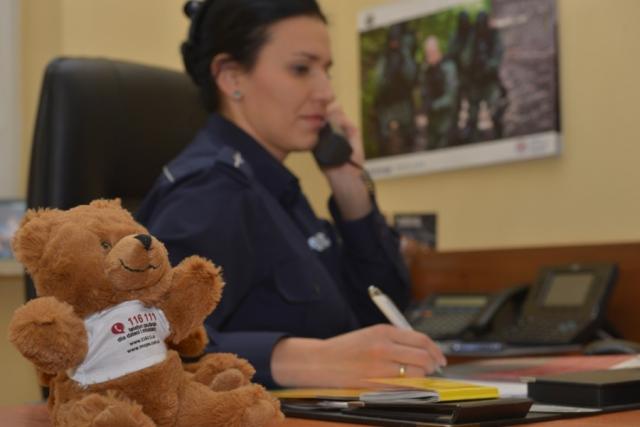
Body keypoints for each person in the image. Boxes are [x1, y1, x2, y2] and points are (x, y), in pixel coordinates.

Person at [136, 0, 446, 389]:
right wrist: (305, 360)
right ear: (231, 78)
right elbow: (145, 345)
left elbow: (384, 310)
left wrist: (350, 187)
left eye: (326, 71)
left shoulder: (276, 189)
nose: (326, 92)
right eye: (301, 69)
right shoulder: (210, 192)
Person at [418, 36, 459, 150]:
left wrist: (434, 105)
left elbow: (451, 96)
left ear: (438, 51)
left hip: (447, 118)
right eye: (427, 53)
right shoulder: (426, 69)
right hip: (432, 119)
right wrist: (425, 104)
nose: (429, 56)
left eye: (431, 52)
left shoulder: (448, 67)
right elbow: (423, 90)